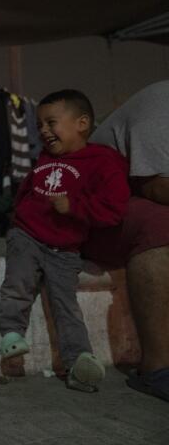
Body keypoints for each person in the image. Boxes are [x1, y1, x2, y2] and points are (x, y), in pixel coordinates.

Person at [0, 90, 129, 392]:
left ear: (82, 123)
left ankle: (78, 362)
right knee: (18, 283)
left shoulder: (102, 161)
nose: (43, 131)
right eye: (40, 125)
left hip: (66, 247)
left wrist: (74, 208)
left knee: (66, 305)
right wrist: (17, 220)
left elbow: (114, 209)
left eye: (51, 122)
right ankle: (11, 335)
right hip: (27, 236)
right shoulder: (44, 157)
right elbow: (27, 191)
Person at [82, 80, 169, 402]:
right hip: (87, 216)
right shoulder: (162, 105)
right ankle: (157, 368)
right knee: (161, 223)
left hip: (127, 210)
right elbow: (156, 188)